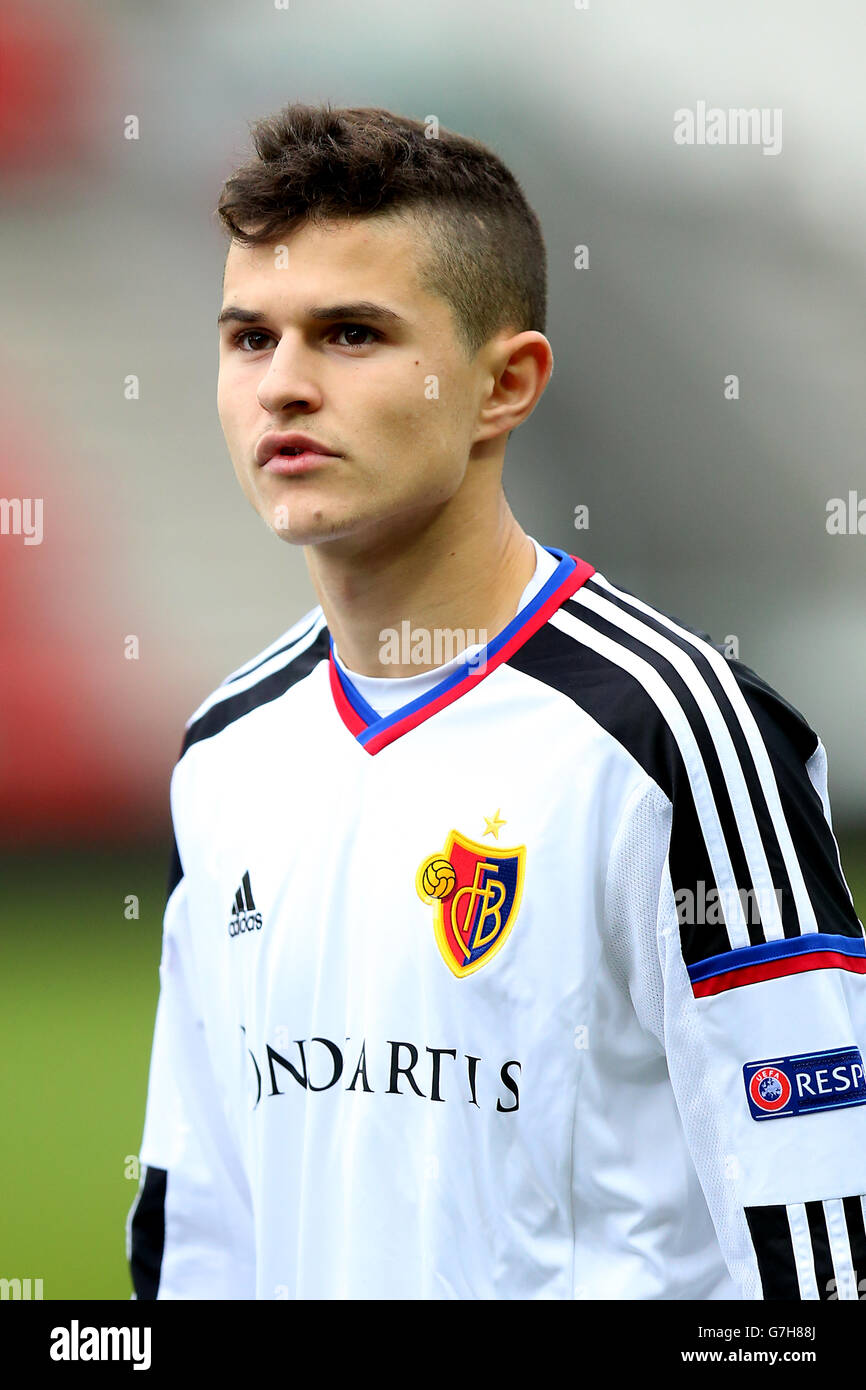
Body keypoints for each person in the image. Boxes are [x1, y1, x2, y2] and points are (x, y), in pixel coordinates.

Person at [127, 103, 866, 1300]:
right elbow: (199, 1225)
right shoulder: (224, 749)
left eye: (350, 334)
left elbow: (821, 1255)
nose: (283, 387)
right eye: (249, 339)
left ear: (503, 386)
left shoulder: (673, 733)